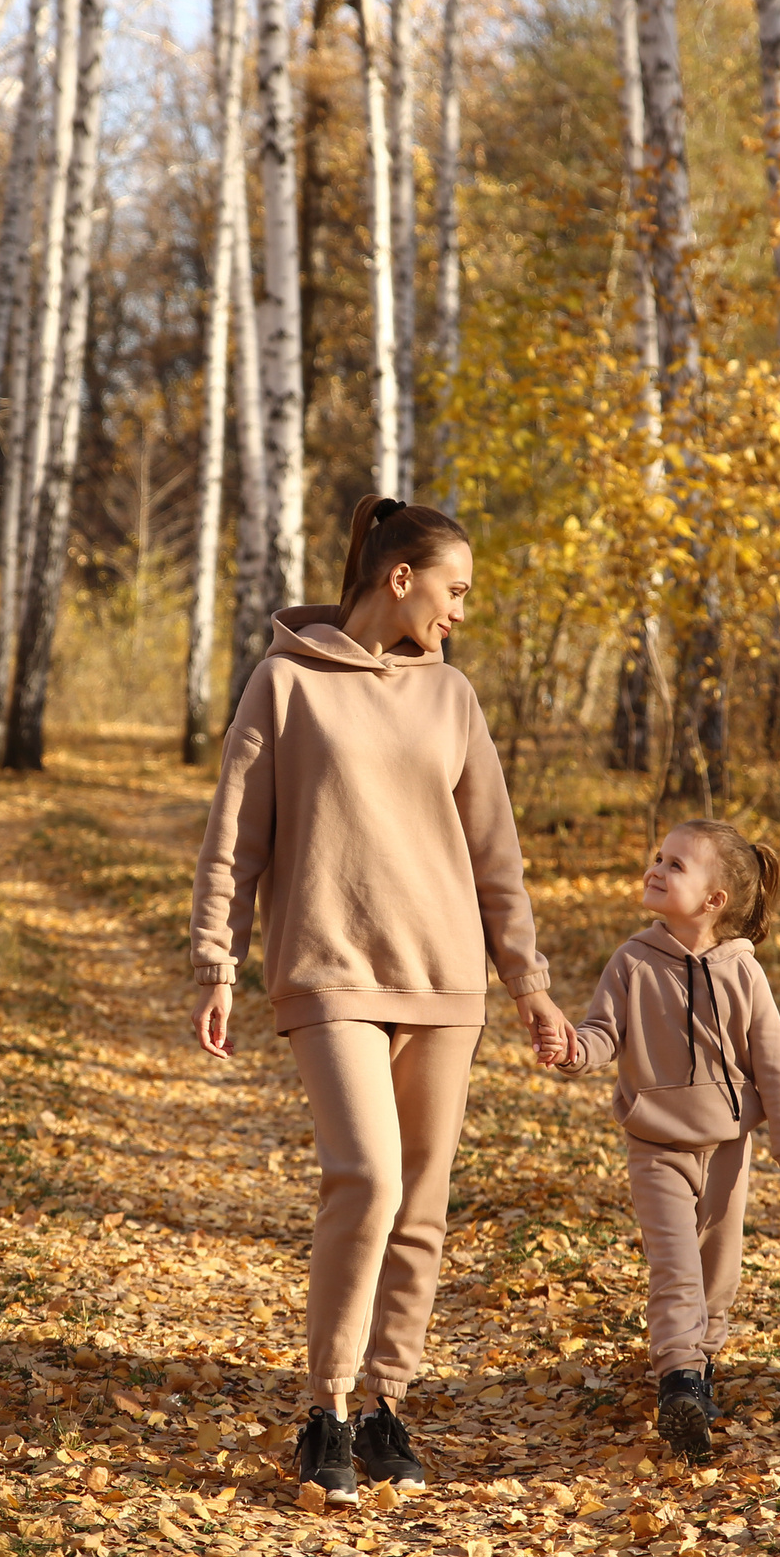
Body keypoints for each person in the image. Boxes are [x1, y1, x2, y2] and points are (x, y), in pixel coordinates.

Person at [190, 495, 573, 1506]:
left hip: (444, 979)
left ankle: (385, 1405)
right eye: (453, 590)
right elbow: (238, 841)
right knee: (365, 1177)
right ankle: (323, 1408)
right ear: (398, 578)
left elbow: (497, 856)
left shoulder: (453, 699)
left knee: (424, 1204)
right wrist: (214, 962)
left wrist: (527, 984)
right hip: (327, 969)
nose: (460, 612)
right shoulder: (282, 686)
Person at [557, 819, 780, 1459]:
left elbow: (775, 1070)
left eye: (676, 864)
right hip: (656, 1143)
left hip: (728, 1146)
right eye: (658, 857)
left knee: (716, 1273)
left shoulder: (743, 975)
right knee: (674, 1266)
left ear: (713, 901)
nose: (656, 868)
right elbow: (601, 1034)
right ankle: (676, 1378)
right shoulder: (632, 961)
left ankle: (699, 1377)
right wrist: (571, 1049)